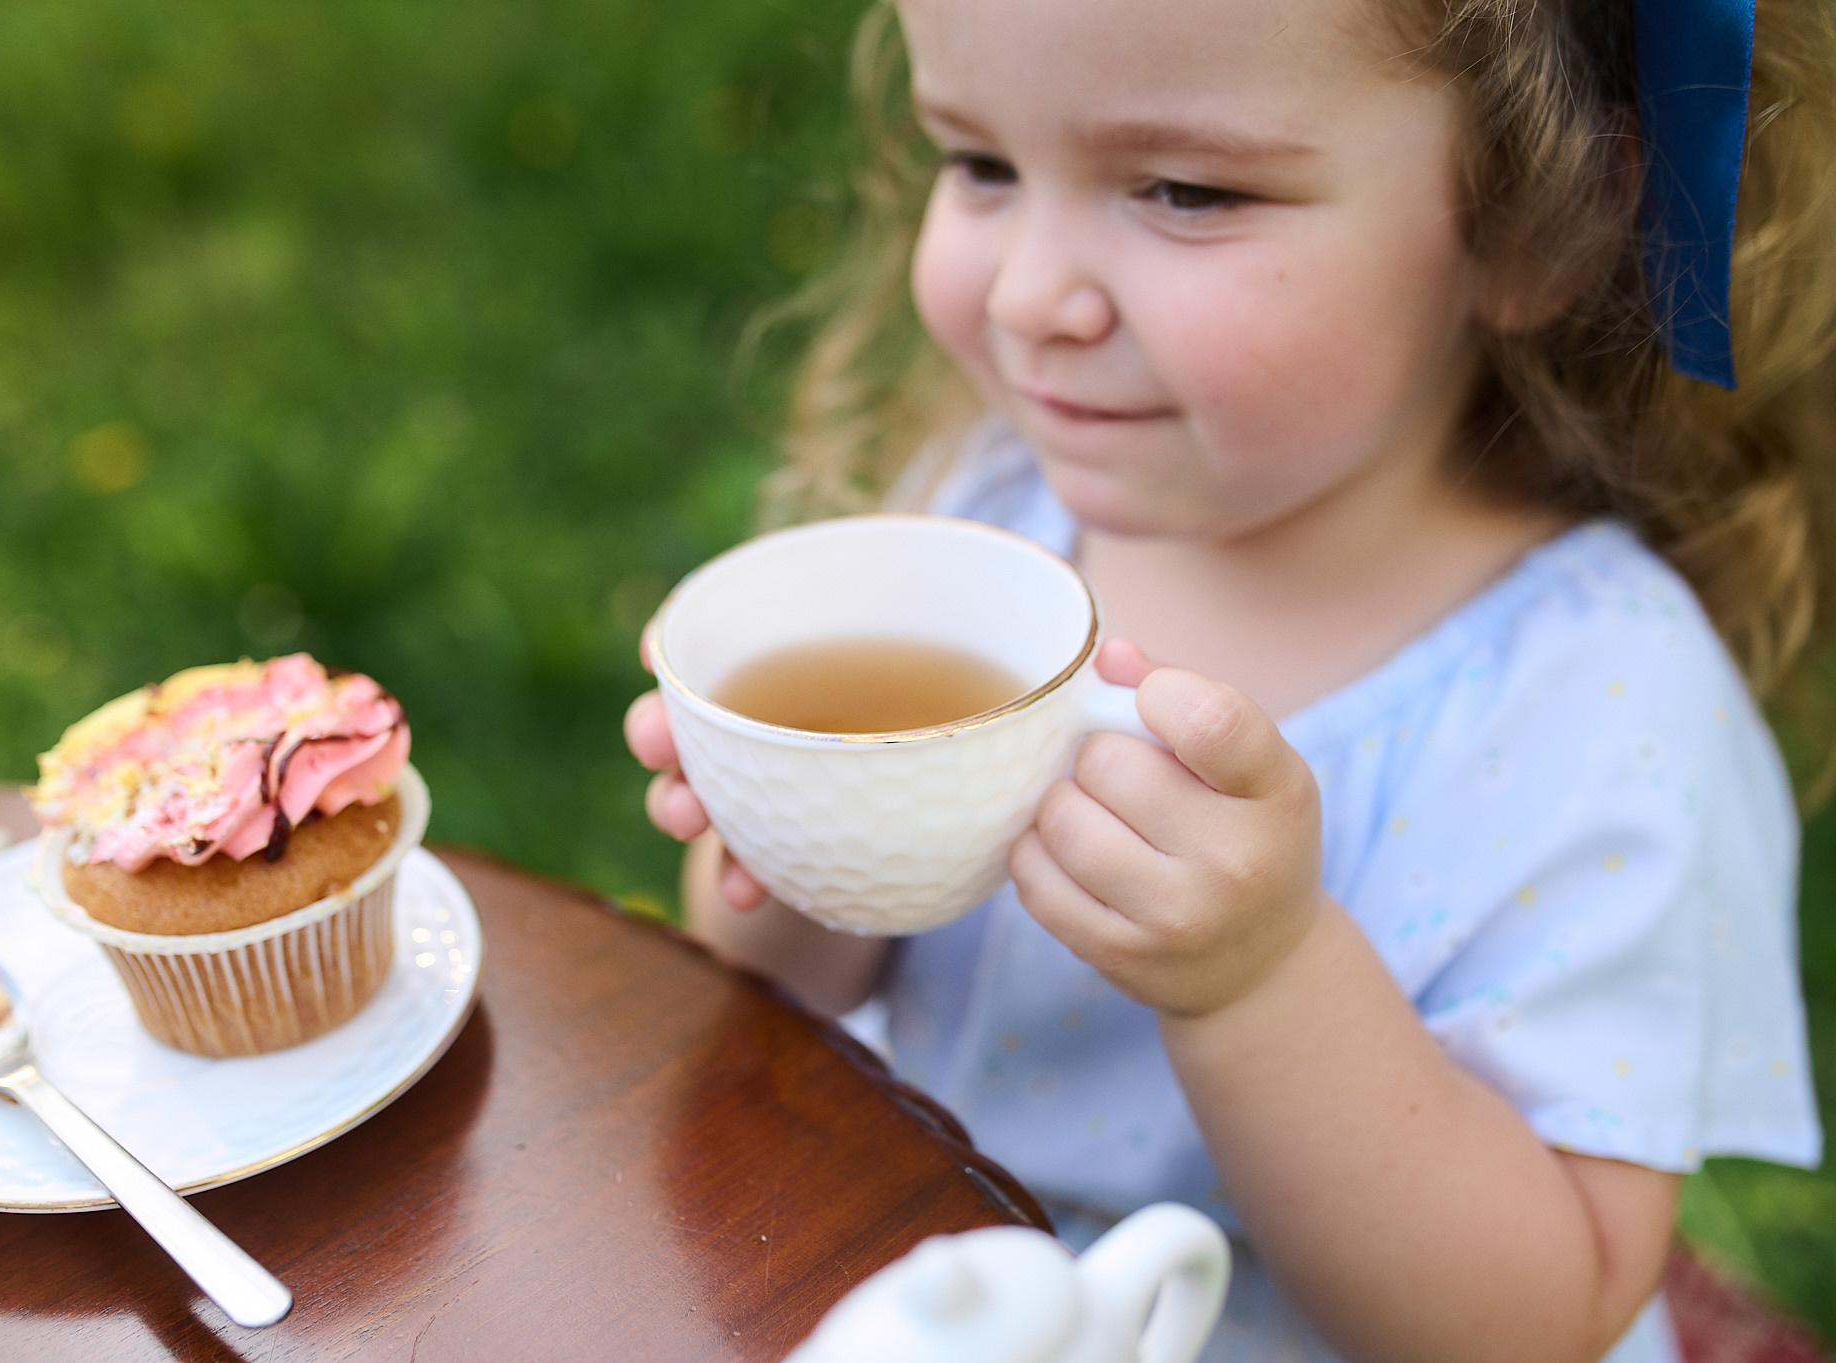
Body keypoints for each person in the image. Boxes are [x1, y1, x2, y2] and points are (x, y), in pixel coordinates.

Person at [625, 0, 1836, 1358]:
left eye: (1187, 192)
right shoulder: (995, 521)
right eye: (980, 163)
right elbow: (786, 1004)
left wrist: (1263, 980)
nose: (1026, 296)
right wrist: (790, 833)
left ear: (1532, 230)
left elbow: (1541, 1321)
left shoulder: (1599, 704)